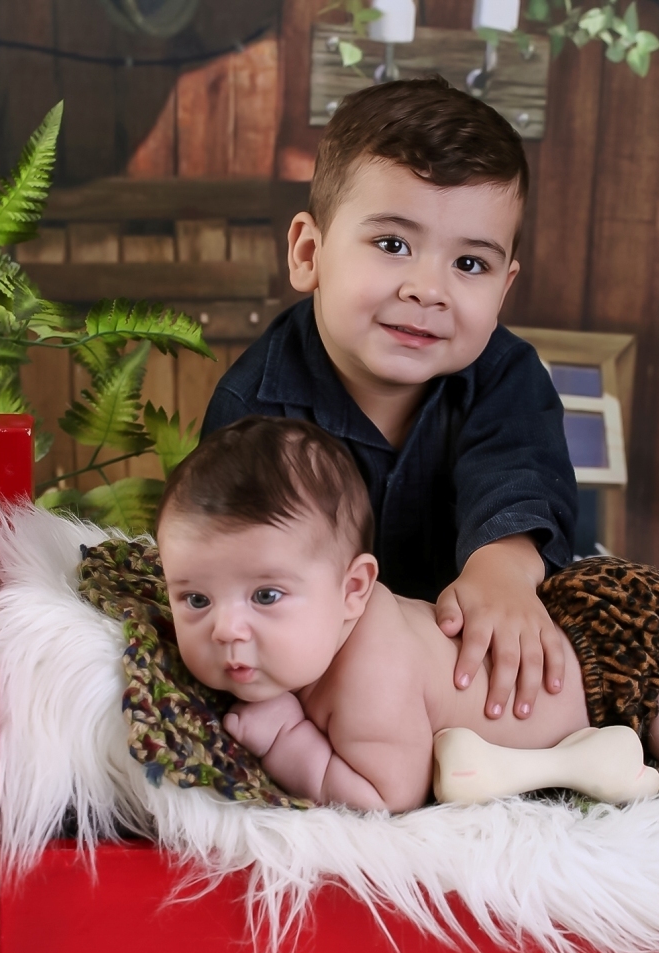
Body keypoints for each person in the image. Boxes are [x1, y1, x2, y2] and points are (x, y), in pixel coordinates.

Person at [201, 76, 578, 725]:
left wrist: (503, 571)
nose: (428, 289)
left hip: (462, 645)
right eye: (393, 245)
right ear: (309, 253)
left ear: (504, 287)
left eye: (470, 264)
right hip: (324, 663)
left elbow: (519, 474)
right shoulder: (255, 404)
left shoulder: (505, 373)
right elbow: (231, 563)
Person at [156, 417, 659, 813]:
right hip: (579, 623)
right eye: (196, 600)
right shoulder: (325, 638)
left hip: (625, 664)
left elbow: (388, 795)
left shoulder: (369, 676)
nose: (225, 630)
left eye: (266, 596)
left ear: (353, 589)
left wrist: (286, 740)